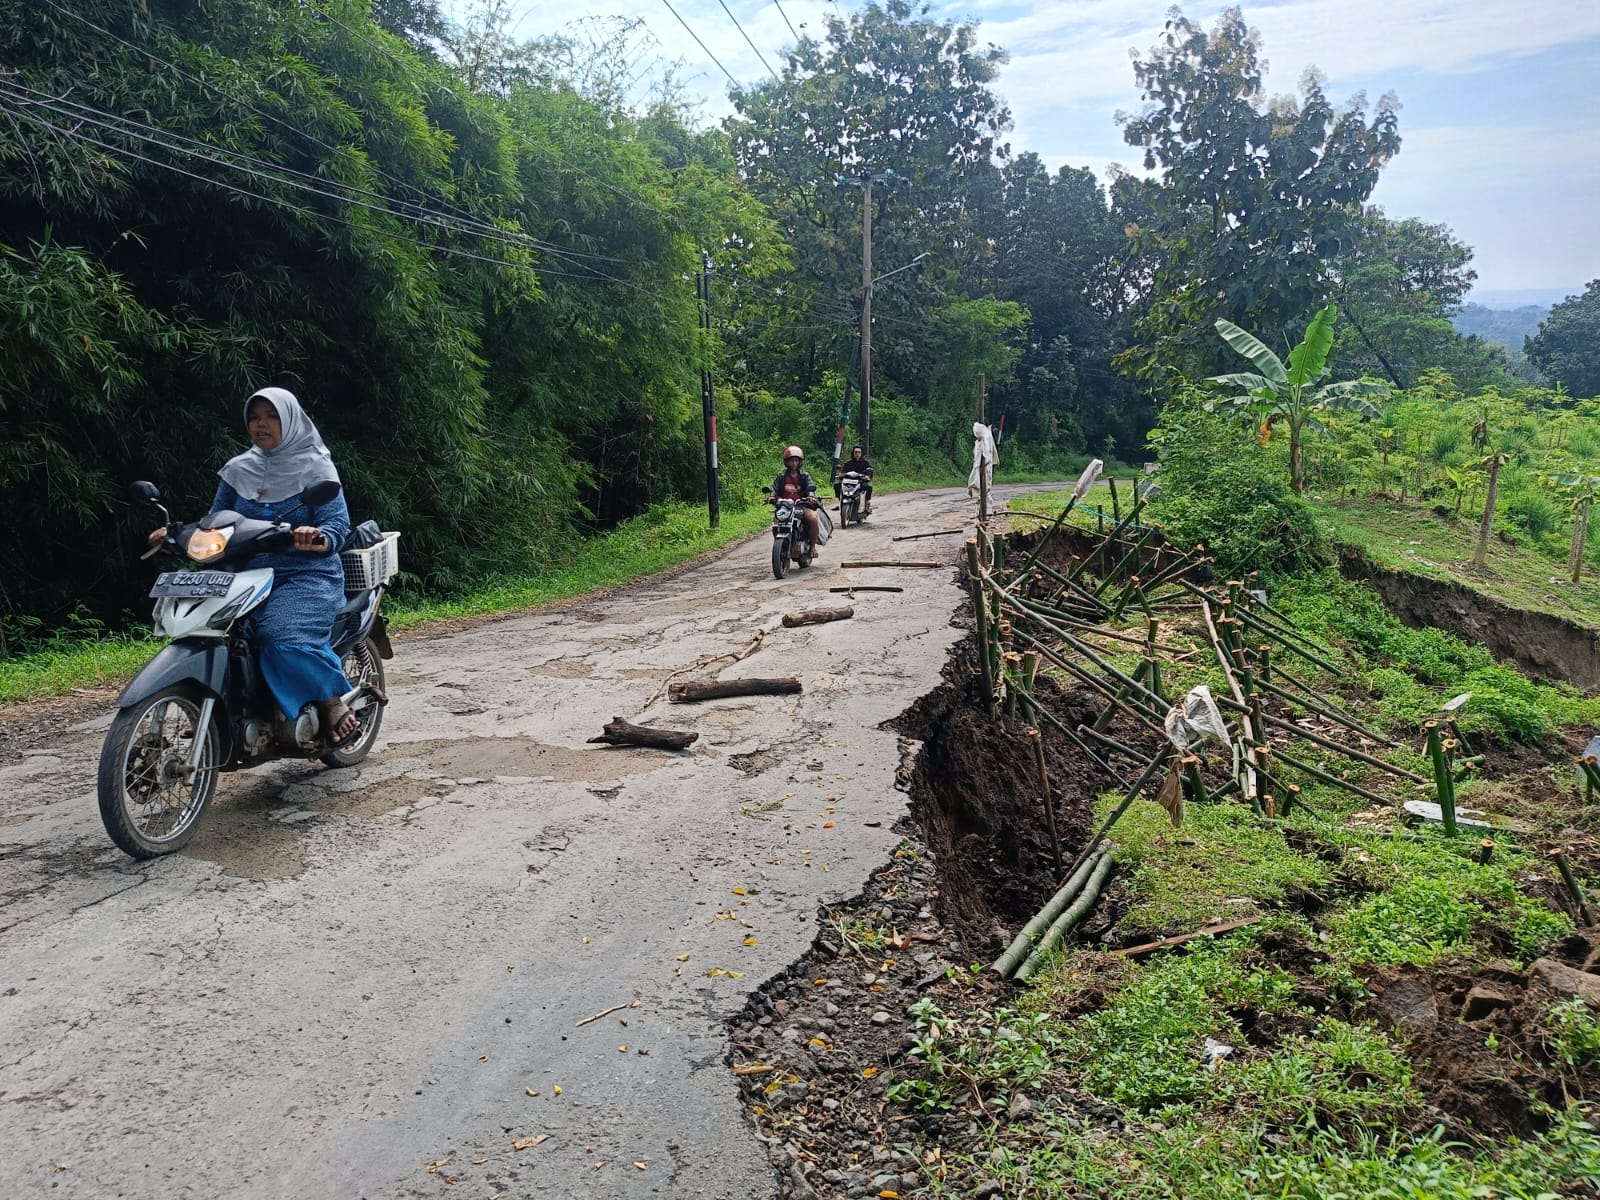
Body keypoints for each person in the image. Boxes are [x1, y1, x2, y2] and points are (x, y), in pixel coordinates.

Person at [149, 388, 361, 748]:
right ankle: (217, 711)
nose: (261, 424)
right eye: (254, 417)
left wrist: (318, 535)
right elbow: (215, 521)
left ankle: (329, 700)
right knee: (208, 632)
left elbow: (336, 526)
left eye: (271, 416)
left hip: (303, 573)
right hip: (243, 574)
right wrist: (175, 534)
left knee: (280, 637)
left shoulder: (316, 467)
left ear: (290, 420)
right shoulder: (238, 470)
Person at [770, 445, 823, 558]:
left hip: (802, 505)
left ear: (800, 462)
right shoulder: (781, 476)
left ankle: (812, 547)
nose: (793, 463)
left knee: (813, 518)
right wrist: (772, 496)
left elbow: (810, 487)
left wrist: (810, 496)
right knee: (776, 521)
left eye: (796, 460)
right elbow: (775, 488)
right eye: (791, 460)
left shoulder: (804, 476)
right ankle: (781, 544)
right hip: (785, 506)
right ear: (786, 462)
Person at [841, 444, 874, 515]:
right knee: (837, 485)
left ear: (861, 453)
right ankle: (839, 503)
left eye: (859, 452)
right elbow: (843, 471)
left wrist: (867, 476)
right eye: (855, 452)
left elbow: (870, 471)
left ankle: (866, 505)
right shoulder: (848, 463)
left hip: (860, 482)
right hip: (848, 482)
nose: (857, 454)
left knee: (868, 487)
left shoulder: (865, 462)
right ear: (853, 453)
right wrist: (840, 475)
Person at [968, 422, 997, 498]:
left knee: (985, 482)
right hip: (981, 467)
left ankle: (983, 495)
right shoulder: (979, 443)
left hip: (985, 467)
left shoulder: (987, 439)